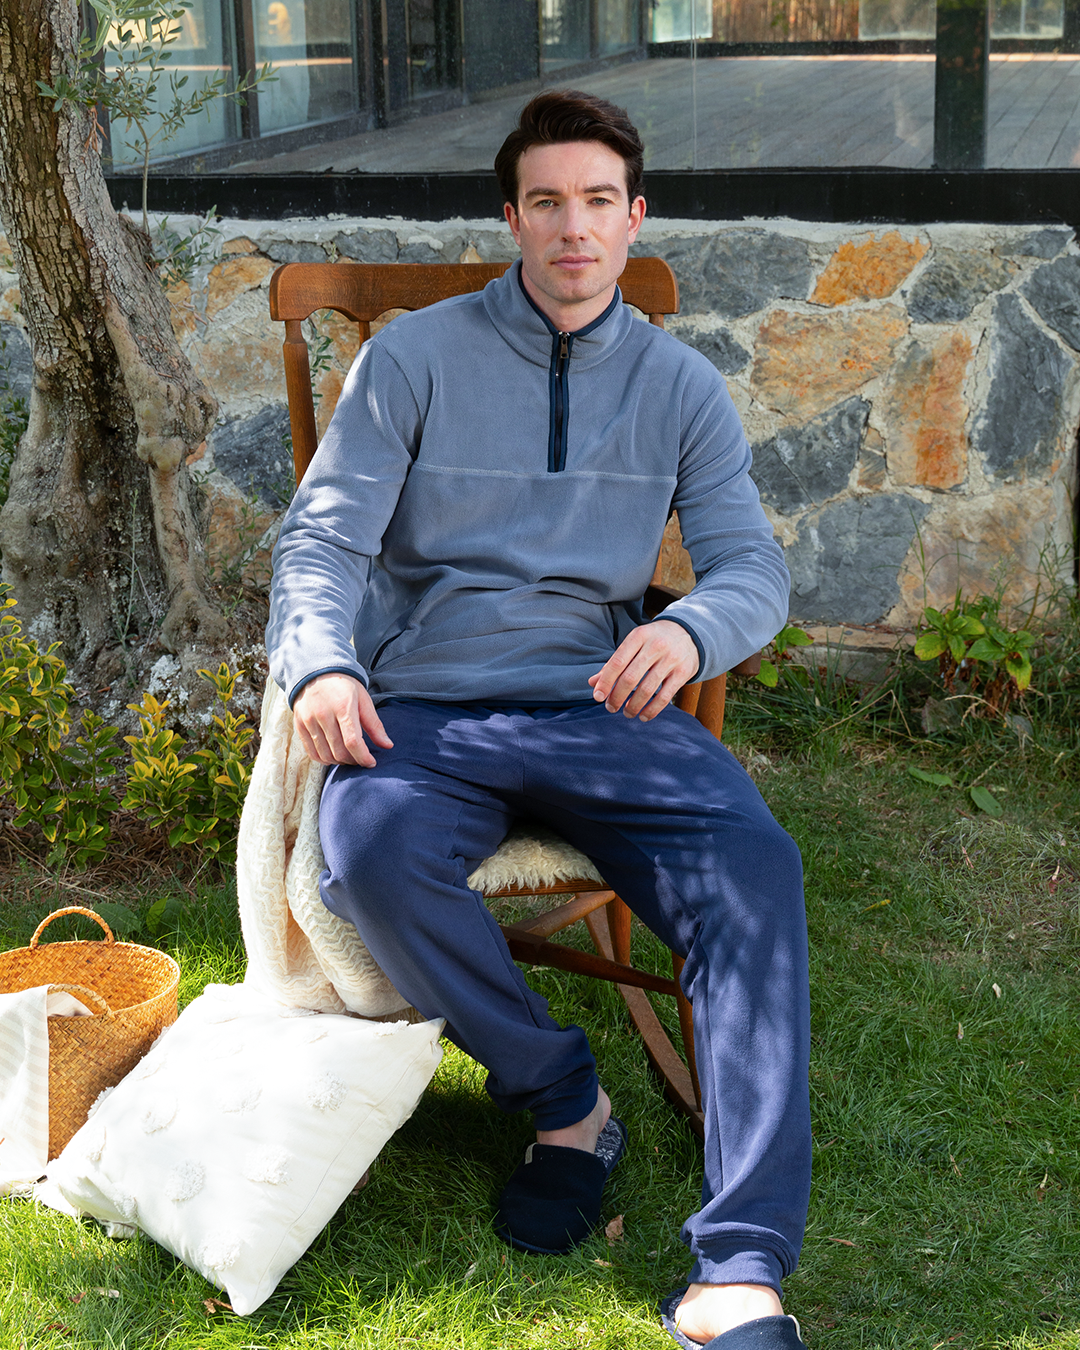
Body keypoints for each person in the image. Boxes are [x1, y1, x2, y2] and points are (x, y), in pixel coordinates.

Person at [265, 89, 811, 1350]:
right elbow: (322, 542)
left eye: (599, 202)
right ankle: (564, 1100)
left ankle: (740, 1266)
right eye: (549, 202)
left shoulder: (681, 387)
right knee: (369, 853)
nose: (575, 227)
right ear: (512, 219)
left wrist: (688, 632)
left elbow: (752, 569)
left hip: (601, 701)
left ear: (634, 219)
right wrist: (322, 668)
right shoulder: (411, 360)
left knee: (755, 871)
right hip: (429, 705)